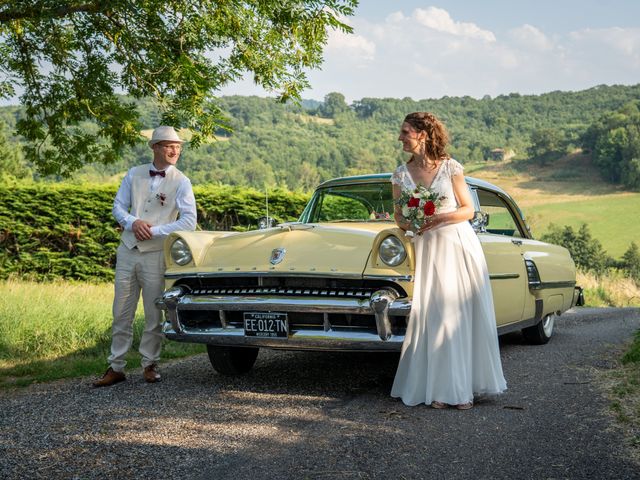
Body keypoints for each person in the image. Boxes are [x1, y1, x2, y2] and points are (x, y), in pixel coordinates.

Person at [390, 112, 507, 409]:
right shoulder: (400, 174)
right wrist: (412, 222)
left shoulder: (450, 167)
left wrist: (439, 216)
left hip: (456, 244)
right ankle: (441, 388)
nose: (401, 137)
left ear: (423, 134)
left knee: (458, 314)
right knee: (435, 315)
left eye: (405, 132)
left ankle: (462, 388)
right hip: (428, 247)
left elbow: (468, 210)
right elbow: (399, 216)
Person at [94, 126, 197, 387]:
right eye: (169, 145)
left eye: (179, 147)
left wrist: (155, 230)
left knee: (153, 313)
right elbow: (118, 206)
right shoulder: (134, 174)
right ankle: (116, 366)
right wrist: (132, 222)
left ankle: (150, 364)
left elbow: (189, 221)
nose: (175, 150)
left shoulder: (182, 181)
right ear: (154, 147)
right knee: (121, 311)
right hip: (128, 250)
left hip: (155, 254)